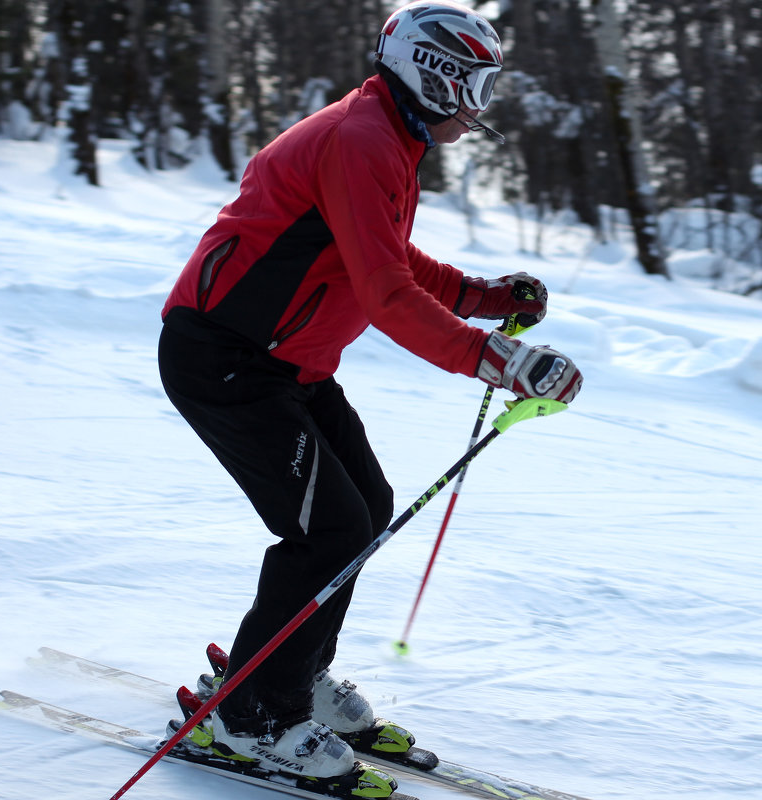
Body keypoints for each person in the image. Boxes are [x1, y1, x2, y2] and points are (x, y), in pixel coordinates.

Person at [157, 0, 582, 781]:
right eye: (477, 85)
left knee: (365, 510)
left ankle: (289, 678)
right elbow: (386, 297)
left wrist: (485, 297)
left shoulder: (383, 134)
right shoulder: (363, 139)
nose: (480, 107)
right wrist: (498, 360)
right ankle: (248, 716)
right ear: (440, 75)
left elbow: (383, 258)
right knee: (326, 531)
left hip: (286, 364)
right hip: (228, 359)